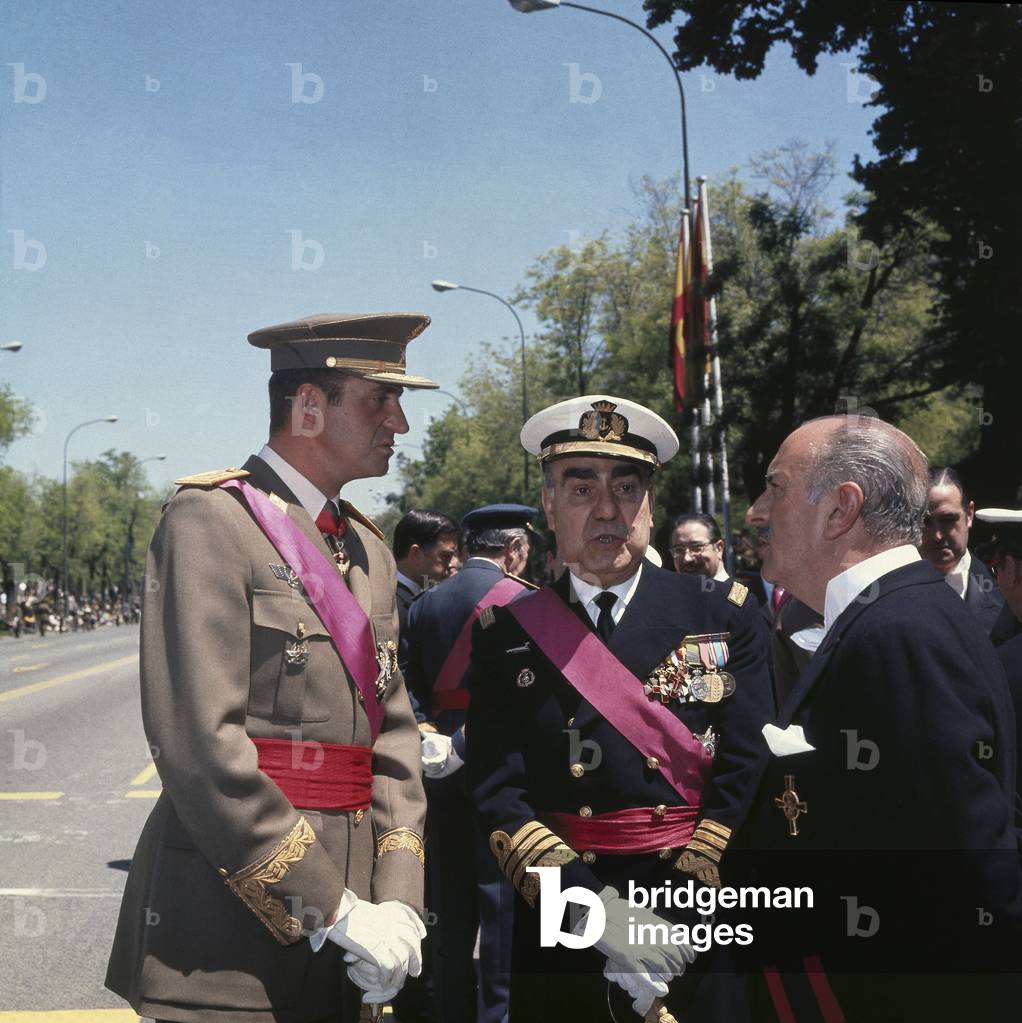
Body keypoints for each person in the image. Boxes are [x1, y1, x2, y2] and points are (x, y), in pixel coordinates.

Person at [106, 312, 435, 1023]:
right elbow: (199, 745)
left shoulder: (370, 551)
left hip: (359, 944)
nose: (400, 422)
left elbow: (396, 740)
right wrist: (333, 906)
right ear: (308, 408)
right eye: (380, 398)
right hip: (228, 948)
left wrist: (399, 900)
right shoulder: (210, 522)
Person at [466, 395, 773, 1021]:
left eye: (626, 487)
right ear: (549, 507)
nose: (607, 511)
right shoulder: (504, 633)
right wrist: (597, 915)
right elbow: (499, 794)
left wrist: (679, 912)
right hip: (566, 922)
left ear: (650, 505)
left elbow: (748, 771)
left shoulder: (723, 614)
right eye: (581, 491)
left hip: (695, 918)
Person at [738, 416, 1022, 1020]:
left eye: (776, 487)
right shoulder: (895, 616)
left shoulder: (900, 635)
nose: (756, 512)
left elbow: (968, 880)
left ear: (841, 510)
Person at [402, 504, 537, 1023]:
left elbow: (402, 686)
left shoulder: (424, 604)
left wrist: (429, 734)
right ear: (515, 550)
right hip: (503, 769)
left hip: (438, 771)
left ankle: (450, 1010)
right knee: (502, 904)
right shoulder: (528, 602)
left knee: (450, 905)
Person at [921, 465, 1018, 643]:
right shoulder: (886, 592)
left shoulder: (1008, 593)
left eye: (948, 520)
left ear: (970, 514)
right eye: (926, 522)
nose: (937, 535)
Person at [670, 512, 729, 582]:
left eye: (696, 547)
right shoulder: (671, 592)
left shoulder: (739, 592)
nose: (687, 559)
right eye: (679, 550)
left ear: (719, 548)